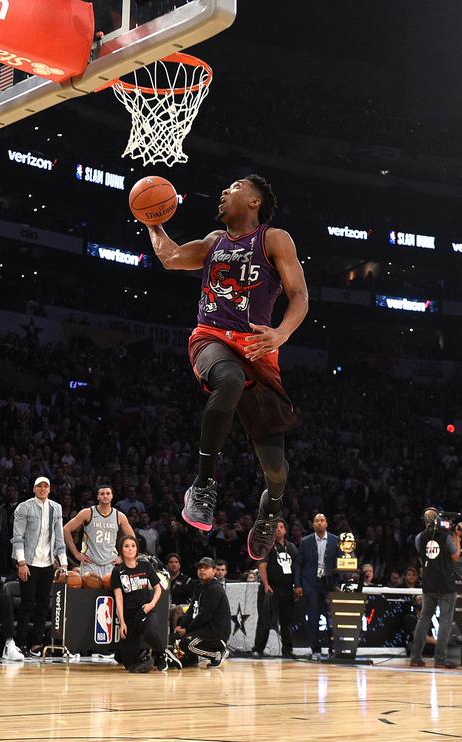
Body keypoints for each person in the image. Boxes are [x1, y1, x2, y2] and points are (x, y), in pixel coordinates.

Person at [144, 175, 309, 562]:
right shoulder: (214, 241)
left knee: (276, 469)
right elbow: (170, 257)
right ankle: (202, 486)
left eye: (234, 187)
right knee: (229, 379)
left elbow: (299, 295)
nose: (223, 191)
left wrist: (282, 333)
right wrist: (153, 222)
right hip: (212, 337)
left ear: (254, 202)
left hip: (258, 349)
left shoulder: (274, 239)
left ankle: (269, 511)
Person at [11, 476, 66, 656]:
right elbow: (18, 537)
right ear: (34, 489)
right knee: (27, 604)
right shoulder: (24, 507)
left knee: (43, 604)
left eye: (46, 486)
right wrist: (21, 563)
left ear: (49, 489)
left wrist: (63, 564)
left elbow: (59, 538)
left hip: (47, 563)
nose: (43, 489)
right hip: (28, 562)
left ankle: (36, 643)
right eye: (39, 486)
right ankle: (21, 643)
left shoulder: (56, 508)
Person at [410, 508, 462, 669]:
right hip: (445, 583)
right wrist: (457, 537)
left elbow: (422, 553)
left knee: (423, 619)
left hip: (428, 582)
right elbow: (455, 556)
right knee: (445, 621)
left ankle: (415, 658)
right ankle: (440, 659)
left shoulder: (419, 537)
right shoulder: (446, 536)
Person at [111, 535, 169, 672]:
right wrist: (122, 622)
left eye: (133, 546)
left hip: (146, 610)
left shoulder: (145, 566)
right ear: (121, 550)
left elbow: (158, 588)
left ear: (137, 548)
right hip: (130, 614)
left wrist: (152, 604)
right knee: (128, 664)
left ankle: (161, 655)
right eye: (126, 546)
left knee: (150, 633)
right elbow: (118, 598)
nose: (130, 549)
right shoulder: (117, 571)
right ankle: (144, 659)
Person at [63, 484, 135, 579]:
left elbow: (132, 538)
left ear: (112, 496)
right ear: (97, 496)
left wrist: (123, 557)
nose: (105, 496)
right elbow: (65, 529)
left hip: (111, 563)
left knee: (109, 593)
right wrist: (76, 554)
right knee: (88, 592)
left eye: (108, 493)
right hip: (90, 562)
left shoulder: (119, 516)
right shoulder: (87, 513)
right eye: (102, 494)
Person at [174, 557, 231, 668]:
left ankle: (217, 654)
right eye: (200, 568)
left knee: (187, 644)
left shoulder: (215, 588)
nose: (202, 570)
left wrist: (186, 630)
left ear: (214, 571)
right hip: (205, 629)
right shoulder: (199, 587)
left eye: (206, 568)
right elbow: (191, 610)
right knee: (180, 630)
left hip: (215, 633)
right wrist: (181, 625)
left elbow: (205, 616)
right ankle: (192, 658)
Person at [253, 519, 298, 658]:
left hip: (287, 589)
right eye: (275, 527)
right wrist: (266, 584)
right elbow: (262, 566)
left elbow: (297, 568)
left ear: (285, 530)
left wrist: (296, 586)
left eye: (281, 527)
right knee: (265, 620)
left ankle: (287, 650)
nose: (278, 529)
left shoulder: (292, 547)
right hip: (270, 589)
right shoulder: (266, 546)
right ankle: (258, 649)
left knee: (286, 621)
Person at [296, 513, 338, 659]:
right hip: (311, 584)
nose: (319, 523)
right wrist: (298, 584)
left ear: (326, 523)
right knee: (313, 618)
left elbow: (339, 563)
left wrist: (338, 584)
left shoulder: (335, 540)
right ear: (313, 524)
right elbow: (299, 565)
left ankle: (333, 650)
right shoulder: (305, 541)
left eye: (322, 520)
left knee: (331, 619)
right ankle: (316, 650)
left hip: (329, 585)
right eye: (316, 521)